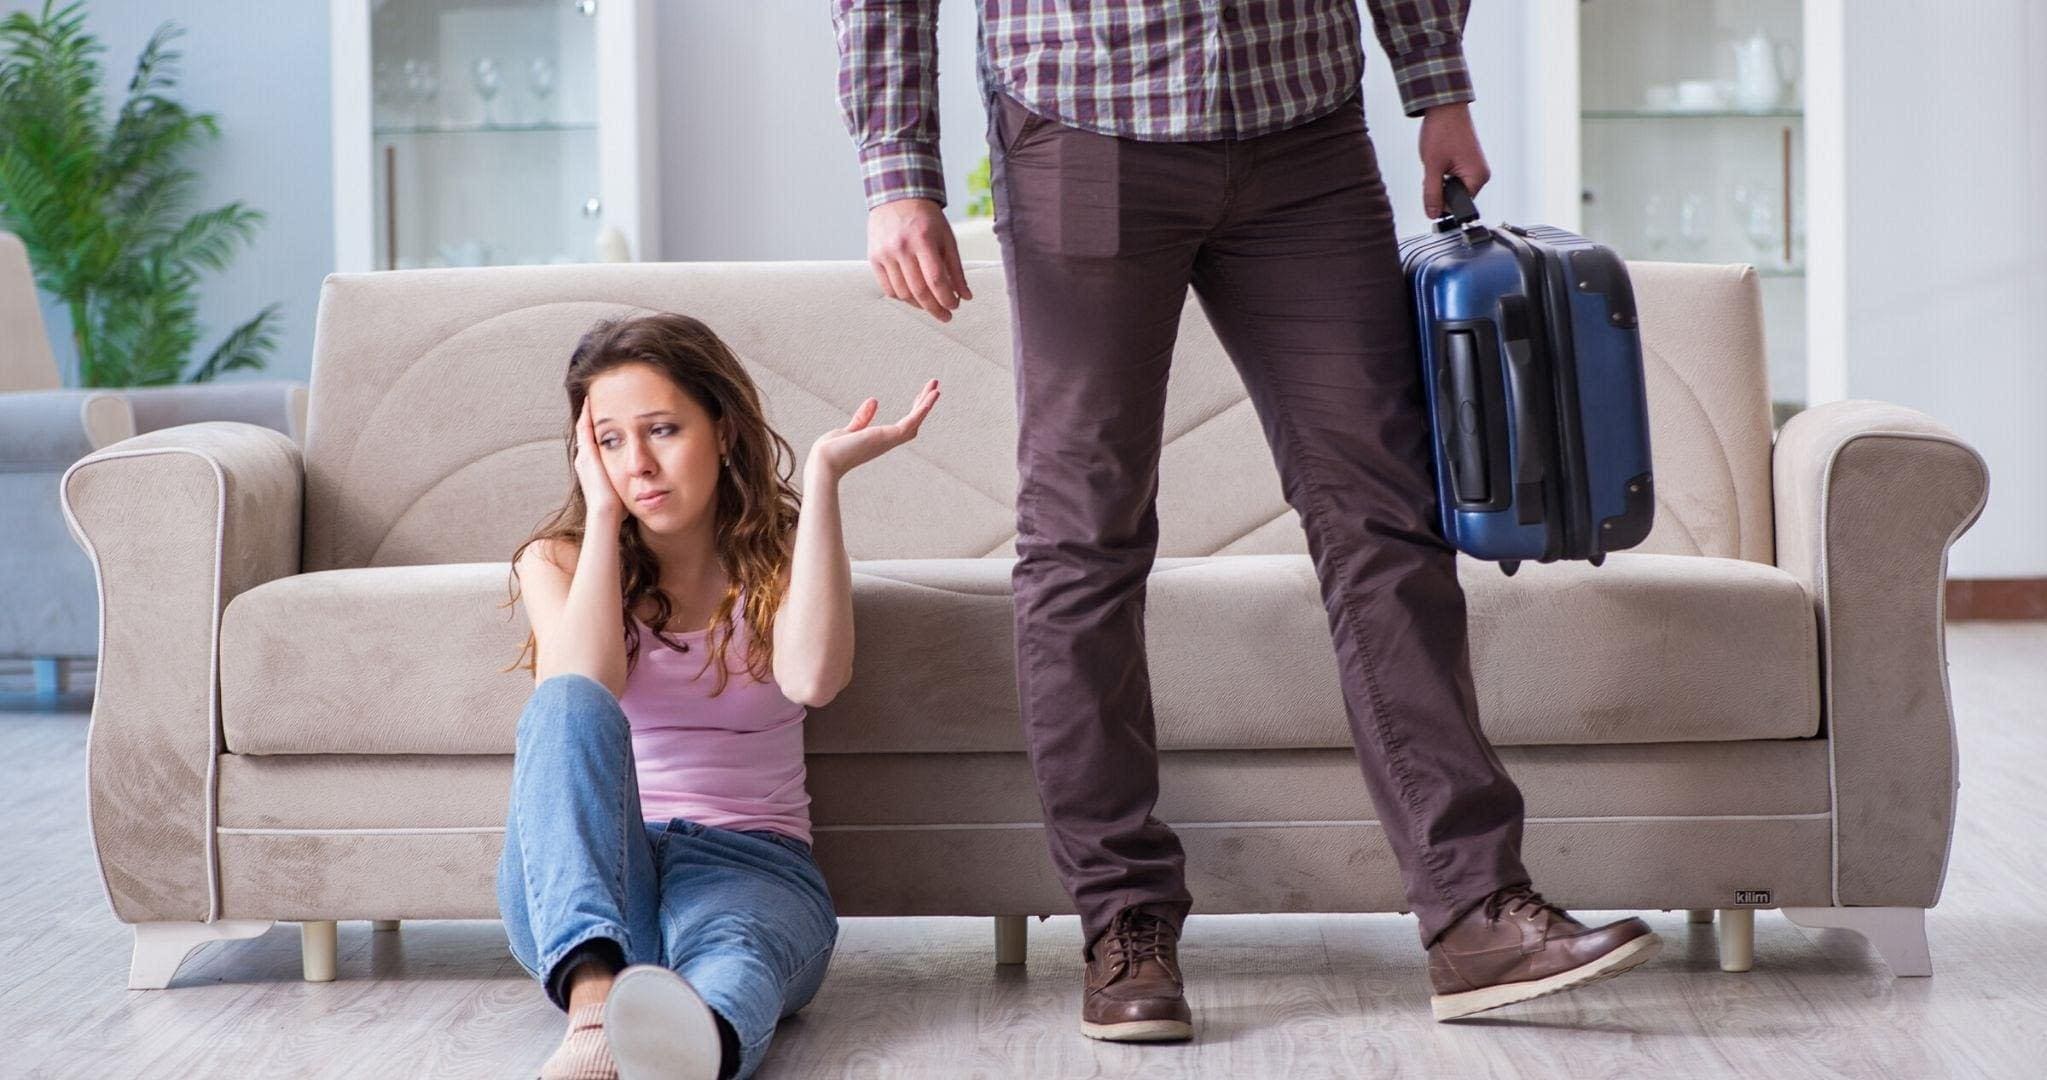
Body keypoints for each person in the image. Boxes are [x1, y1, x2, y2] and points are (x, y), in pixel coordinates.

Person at [832, 0, 1660, 1035]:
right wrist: (896, 171)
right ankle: (1123, 922)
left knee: (1386, 518)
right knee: (1084, 536)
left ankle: (1473, 911)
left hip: (1300, 121)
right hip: (1084, 121)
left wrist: (1438, 87)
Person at [495, 313, 940, 1079]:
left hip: (752, 866)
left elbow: (812, 679)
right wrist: (602, 515)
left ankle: (688, 1053)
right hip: (591, 877)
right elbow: (587, 688)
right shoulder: (555, 561)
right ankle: (595, 1008)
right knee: (562, 702)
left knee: (733, 957)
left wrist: (824, 478)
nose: (638, 465)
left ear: (724, 430)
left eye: (662, 430)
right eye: (609, 441)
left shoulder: (784, 555)